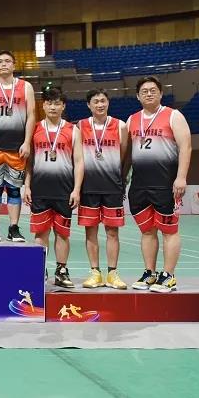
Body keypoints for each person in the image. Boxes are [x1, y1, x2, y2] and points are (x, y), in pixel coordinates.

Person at [125, 76, 191, 293]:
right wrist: (123, 179)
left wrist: (181, 177)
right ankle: (150, 273)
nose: (149, 94)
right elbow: (127, 154)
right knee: (147, 231)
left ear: (161, 93)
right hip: (139, 186)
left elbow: (186, 147)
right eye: (144, 91)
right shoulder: (132, 120)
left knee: (169, 231)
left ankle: (168, 276)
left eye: (153, 90)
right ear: (138, 96)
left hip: (165, 185)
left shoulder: (173, 115)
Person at [23, 87, 83, 288]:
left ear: (63, 106)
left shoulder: (73, 130)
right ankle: (39, 269)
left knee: (62, 233)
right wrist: (27, 186)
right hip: (40, 189)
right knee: (41, 233)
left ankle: (61, 270)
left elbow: (79, 162)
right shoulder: (34, 129)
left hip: (64, 189)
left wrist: (76, 190)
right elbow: (29, 162)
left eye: (57, 103)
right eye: (49, 103)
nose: (53, 107)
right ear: (44, 105)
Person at [77, 89, 129, 289]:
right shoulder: (80, 126)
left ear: (108, 103)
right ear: (88, 105)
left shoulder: (120, 125)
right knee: (90, 232)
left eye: (103, 101)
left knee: (112, 232)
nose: (100, 104)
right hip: (88, 187)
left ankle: (113, 274)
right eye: (96, 101)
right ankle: (95, 273)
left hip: (112, 187)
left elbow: (123, 155)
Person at [0, 50, 35, 242]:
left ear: (14, 65)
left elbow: (31, 115)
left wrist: (27, 142)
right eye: (0, 61)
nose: (4, 64)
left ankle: (14, 227)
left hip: (17, 146)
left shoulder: (25, 86)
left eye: (7, 61)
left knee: (14, 189)